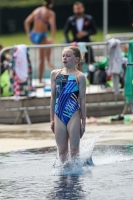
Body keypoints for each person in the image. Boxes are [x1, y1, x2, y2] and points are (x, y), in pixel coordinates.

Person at [50, 46, 86, 163]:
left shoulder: (79, 76)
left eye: (68, 56)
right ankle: (63, 178)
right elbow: (53, 97)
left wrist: (83, 121)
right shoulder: (55, 74)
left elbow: (83, 100)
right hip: (59, 114)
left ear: (76, 59)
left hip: (73, 114)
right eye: (63, 56)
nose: (64, 58)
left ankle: (76, 178)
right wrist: (51, 119)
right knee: (62, 151)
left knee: (74, 150)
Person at [64, 1, 97, 84]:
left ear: (83, 9)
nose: (78, 10)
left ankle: (91, 80)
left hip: (87, 43)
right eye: (76, 8)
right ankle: (80, 80)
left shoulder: (89, 18)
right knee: (78, 63)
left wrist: (85, 33)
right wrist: (70, 42)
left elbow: (94, 30)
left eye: (79, 8)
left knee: (90, 61)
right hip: (76, 45)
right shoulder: (71, 19)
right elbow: (65, 32)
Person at [24, 0, 56, 83]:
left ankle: (47, 61)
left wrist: (28, 35)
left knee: (48, 43)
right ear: (51, 3)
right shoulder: (50, 13)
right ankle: (41, 78)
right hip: (41, 36)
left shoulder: (37, 10)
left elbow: (26, 22)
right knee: (43, 55)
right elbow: (52, 26)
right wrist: (53, 37)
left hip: (33, 35)